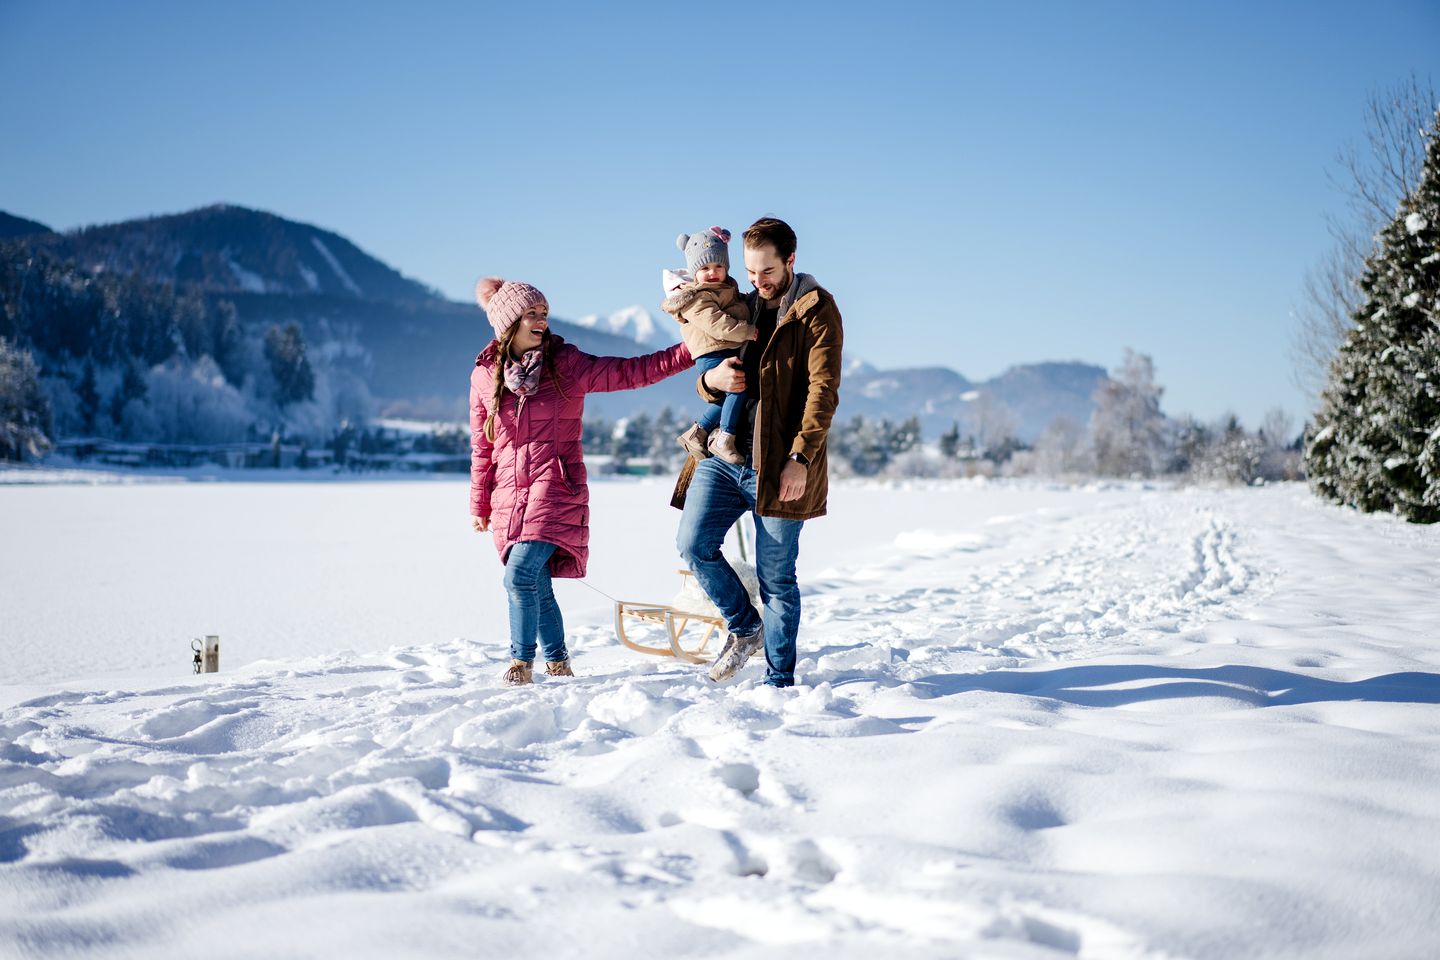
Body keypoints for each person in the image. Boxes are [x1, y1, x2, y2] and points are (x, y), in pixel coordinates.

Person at [471, 276, 693, 686]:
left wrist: (690, 349)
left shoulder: (566, 365)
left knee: (517, 576)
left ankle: (521, 664)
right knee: (536, 584)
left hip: (555, 486)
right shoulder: (484, 377)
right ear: (508, 322)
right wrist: (480, 504)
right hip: (508, 496)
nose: (541, 320)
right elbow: (482, 447)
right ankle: (558, 664)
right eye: (532, 313)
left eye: (544, 313)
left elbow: (633, 372)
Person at [673, 218, 843, 687]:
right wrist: (711, 381)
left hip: (778, 465)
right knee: (693, 544)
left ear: (790, 261)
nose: (757, 282)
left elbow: (822, 391)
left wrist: (801, 458)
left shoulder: (816, 310)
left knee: (777, 580)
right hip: (724, 458)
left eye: (766, 271)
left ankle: (779, 680)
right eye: (749, 272)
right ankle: (745, 627)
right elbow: (708, 373)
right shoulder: (740, 304)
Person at [662, 226, 757, 465]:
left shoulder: (725, 291)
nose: (712, 273)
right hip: (712, 351)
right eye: (704, 268)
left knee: (730, 396)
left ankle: (699, 432)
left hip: (723, 347)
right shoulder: (697, 297)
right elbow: (716, 323)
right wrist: (747, 330)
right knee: (737, 388)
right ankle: (724, 437)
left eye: (718, 267)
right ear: (695, 272)